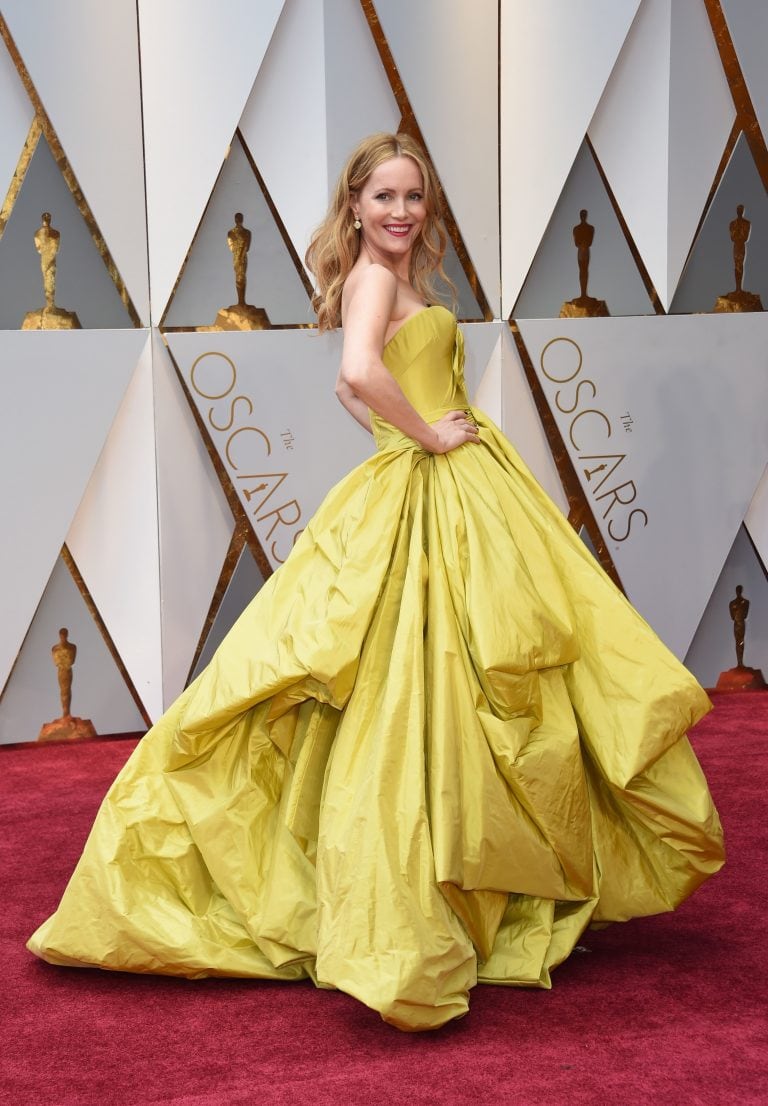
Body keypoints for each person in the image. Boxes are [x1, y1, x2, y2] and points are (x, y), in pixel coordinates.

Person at [27, 132, 724, 1032]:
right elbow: (358, 373)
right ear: (353, 205)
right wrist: (427, 437)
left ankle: (488, 889)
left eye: (414, 198)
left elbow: (354, 390)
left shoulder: (397, 284)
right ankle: (417, 904)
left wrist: (408, 431)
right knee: (415, 692)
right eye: (385, 197)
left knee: (476, 682)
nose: (401, 212)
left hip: (457, 491)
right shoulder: (372, 280)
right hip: (431, 482)